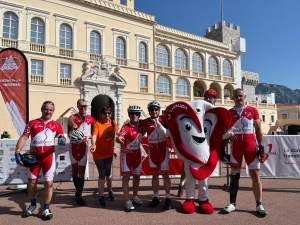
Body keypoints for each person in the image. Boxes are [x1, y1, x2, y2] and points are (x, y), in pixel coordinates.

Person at [15, 101, 65, 220]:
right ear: (42, 109)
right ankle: (32, 205)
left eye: (51, 110)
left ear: (53, 111)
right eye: (46, 109)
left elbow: (61, 136)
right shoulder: (33, 122)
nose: (48, 112)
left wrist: (62, 139)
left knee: (48, 184)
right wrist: (17, 152)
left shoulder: (56, 125)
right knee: (32, 183)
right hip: (34, 158)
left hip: (48, 158)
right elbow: (24, 137)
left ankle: (46, 208)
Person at [223, 88, 268, 216]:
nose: (239, 98)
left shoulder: (253, 110)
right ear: (232, 98)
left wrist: (262, 148)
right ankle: (232, 203)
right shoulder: (229, 113)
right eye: (236, 96)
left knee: (255, 175)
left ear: (245, 96)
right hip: (236, 147)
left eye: (241, 95)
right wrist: (222, 149)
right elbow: (226, 133)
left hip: (250, 147)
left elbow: (259, 130)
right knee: (234, 176)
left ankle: (259, 204)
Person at [177, 88, 218, 197]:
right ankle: (182, 183)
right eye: (207, 97)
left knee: (205, 167)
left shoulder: (215, 111)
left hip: (207, 142)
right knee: (187, 164)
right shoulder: (198, 108)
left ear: (214, 100)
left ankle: (203, 196)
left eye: (211, 97)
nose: (208, 99)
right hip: (195, 141)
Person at [140, 101, 172, 210]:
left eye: (156, 109)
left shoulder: (164, 120)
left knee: (165, 174)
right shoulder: (145, 122)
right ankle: (156, 197)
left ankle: (168, 198)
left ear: (159, 110)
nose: (154, 111)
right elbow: (138, 133)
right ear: (149, 111)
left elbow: (171, 132)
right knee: (154, 175)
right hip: (152, 151)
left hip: (163, 150)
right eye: (152, 109)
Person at [68, 99, 95, 205]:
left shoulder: (89, 118)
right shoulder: (73, 117)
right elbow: (69, 120)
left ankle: (79, 194)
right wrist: (73, 124)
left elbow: (96, 126)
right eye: (81, 106)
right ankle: (77, 191)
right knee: (74, 171)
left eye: (85, 106)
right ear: (78, 107)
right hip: (73, 146)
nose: (83, 108)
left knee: (81, 172)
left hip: (84, 145)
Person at [116, 105, 143, 211]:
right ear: (129, 115)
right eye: (132, 113)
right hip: (127, 155)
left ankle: (135, 196)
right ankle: (127, 201)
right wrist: (119, 139)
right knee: (126, 177)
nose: (134, 116)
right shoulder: (125, 127)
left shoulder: (141, 126)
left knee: (137, 176)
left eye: (137, 114)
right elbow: (119, 137)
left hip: (137, 155)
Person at [90, 106, 118, 207]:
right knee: (102, 173)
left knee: (108, 173)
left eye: (109, 113)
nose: (107, 115)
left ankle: (110, 191)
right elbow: (94, 136)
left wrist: (114, 148)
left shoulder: (113, 123)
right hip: (98, 154)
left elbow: (114, 135)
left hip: (109, 153)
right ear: (101, 114)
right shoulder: (97, 124)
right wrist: (93, 144)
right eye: (105, 113)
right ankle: (101, 196)